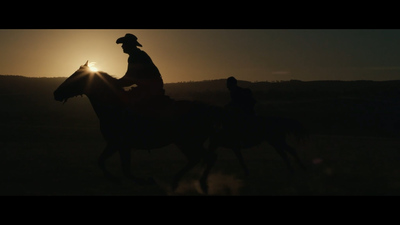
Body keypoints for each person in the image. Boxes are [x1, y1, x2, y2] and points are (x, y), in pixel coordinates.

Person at [116, 33, 165, 103]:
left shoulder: (135, 56)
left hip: (150, 88)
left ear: (129, 44)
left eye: (124, 43)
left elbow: (130, 78)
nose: (122, 46)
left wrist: (115, 83)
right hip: (153, 86)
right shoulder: (138, 54)